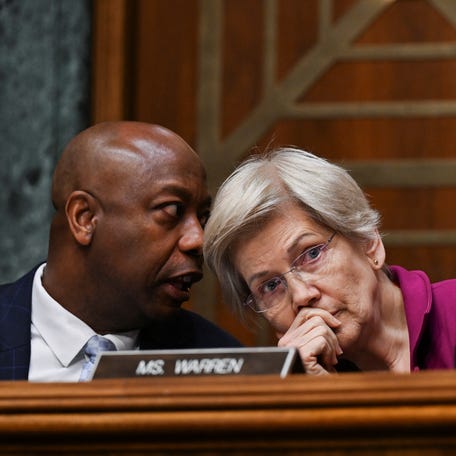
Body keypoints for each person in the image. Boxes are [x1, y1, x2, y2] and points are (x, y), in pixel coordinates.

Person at [0, 121, 241, 382]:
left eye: (203, 219)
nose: (198, 240)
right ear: (85, 217)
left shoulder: (220, 364)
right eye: (172, 211)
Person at [204, 147, 456, 375]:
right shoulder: (293, 382)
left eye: (312, 254)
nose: (302, 296)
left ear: (368, 242)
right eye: (270, 285)